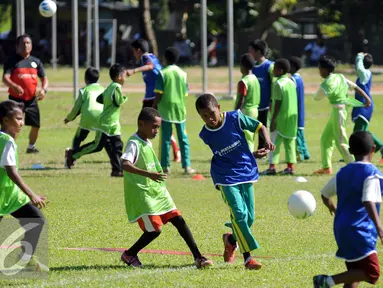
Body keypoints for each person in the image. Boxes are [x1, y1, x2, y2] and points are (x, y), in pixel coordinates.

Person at [120, 107, 213, 269]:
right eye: (154, 127)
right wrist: (149, 174)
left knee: (178, 219)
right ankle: (129, 254)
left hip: (157, 192)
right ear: (142, 124)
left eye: (158, 127)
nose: (156, 131)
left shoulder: (146, 142)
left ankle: (198, 257)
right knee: (155, 230)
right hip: (143, 195)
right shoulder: (134, 143)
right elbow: (125, 164)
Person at [195, 93, 275, 270]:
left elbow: (260, 126)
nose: (210, 119)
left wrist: (266, 141)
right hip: (224, 176)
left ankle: (230, 240)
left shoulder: (236, 118)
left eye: (212, 114)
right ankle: (248, 259)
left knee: (249, 218)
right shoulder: (205, 134)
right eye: (204, 117)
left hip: (246, 170)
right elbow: (224, 152)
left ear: (219, 108)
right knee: (239, 213)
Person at [314, 131, 383, 288]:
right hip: (359, 230)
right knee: (372, 272)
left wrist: (334, 209)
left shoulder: (343, 173)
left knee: (354, 273)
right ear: (373, 149)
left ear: (351, 151)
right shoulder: (371, 174)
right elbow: (368, 200)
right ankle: (325, 281)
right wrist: (380, 228)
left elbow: (325, 195)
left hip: (341, 228)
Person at [0, 100, 48, 271]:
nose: (21, 123)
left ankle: (26, 259)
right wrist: (32, 195)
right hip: (4, 195)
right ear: (5, 120)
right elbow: (12, 172)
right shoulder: (7, 141)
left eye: (22, 119)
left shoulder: (3, 139)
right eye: (18, 119)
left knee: (36, 219)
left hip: (11, 195)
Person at [65, 64, 127, 177]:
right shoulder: (115, 87)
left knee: (116, 146)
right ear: (119, 77)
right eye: (124, 75)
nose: (126, 77)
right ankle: (73, 154)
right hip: (105, 124)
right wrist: (124, 98)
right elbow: (119, 102)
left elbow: (100, 99)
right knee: (97, 146)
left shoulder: (109, 87)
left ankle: (117, 170)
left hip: (113, 124)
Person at [313, 55, 371, 175]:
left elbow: (316, 98)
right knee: (326, 139)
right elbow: (355, 87)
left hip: (339, 113)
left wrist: (322, 91)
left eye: (319, 68)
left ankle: (355, 166)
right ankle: (326, 167)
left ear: (324, 69)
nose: (319, 71)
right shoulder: (340, 77)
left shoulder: (326, 84)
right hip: (337, 111)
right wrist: (367, 99)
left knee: (341, 141)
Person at [127, 38, 181, 163]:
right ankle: (176, 150)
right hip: (153, 95)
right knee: (157, 125)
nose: (133, 54)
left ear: (139, 50)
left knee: (144, 124)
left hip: (152, 97)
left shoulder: (145, 58)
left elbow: (150, 66)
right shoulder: (152, 56)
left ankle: (141, 151)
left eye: (134, 51)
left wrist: (133, 71)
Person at [2, 34, 48, 153]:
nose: (25, 45)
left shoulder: (36, 62)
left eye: (28, 43)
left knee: (36, 125)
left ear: (31, 46)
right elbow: (5, 78)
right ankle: (10, 147)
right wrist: (14, 85)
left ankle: (31, 147)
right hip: (16, 100)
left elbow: (44, 79)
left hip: (32, 100)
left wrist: (43, 90)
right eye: (23, 43)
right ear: (17, 46)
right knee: (14, 125)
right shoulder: (11, 61)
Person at [153, 47, 195, 174]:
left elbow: (159, 93)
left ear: (165, 58)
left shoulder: (162, 73)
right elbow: (186, 92)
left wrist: (154, 106)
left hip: (165, 109)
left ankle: (165, 167)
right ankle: (187, 166)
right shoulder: (183, 74)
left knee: (166, 138)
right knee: (183, 137)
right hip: (180, 109)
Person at [262, 59, 298, 175]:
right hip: (292, 119)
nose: (273, 70)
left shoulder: (278, 84)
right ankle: (290, 167)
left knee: (274, 142)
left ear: (280, 70)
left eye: (275, 68)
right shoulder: (291, 82)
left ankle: (272, 167)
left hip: (281, 118)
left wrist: (273, 120)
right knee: (290, 143)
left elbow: (277, 103)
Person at [64, 68, 104, 162]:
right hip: (102, 118)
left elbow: (76, 108)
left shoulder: (84, 90)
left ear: (86, 79)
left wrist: (69, 118)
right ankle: (74, 155)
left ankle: (71, 158)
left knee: (78, 138)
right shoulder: (104, 89)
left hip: (87, 117)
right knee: (98, 143)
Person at [351, 53, 383, 165]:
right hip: (363, 106)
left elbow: (359, 67)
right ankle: (380, 146)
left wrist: (359, 56)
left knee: (358, 132)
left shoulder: (364, 74)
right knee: (363, 131)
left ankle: (353, 156)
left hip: (364, 107)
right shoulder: (365, 74)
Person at [248, 40, 274, 150]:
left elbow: (274, 85)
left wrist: (272, 101)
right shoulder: (252, 67)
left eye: (251, 51)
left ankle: (263, 148)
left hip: (266, 104)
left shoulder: (269, 66)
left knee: (263, 126)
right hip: (254, 104)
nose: (250, 53)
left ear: (258, 51)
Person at [234, 53, 260, 151]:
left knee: (246, 137)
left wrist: (236, 112)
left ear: (243, 66)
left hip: (246, 111)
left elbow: (241, 99)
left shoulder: (244, 81)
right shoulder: (255, 78)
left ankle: (248, 158)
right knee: (251, 137)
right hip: (255, 110)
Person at [289, 56, 310, 161]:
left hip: (295, 111)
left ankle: (300, 154)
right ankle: (305, 153)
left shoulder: (292, 80)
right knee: (300, 133)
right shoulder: (299, 78)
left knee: (297, 134)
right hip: (300, 109)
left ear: (292, 66)